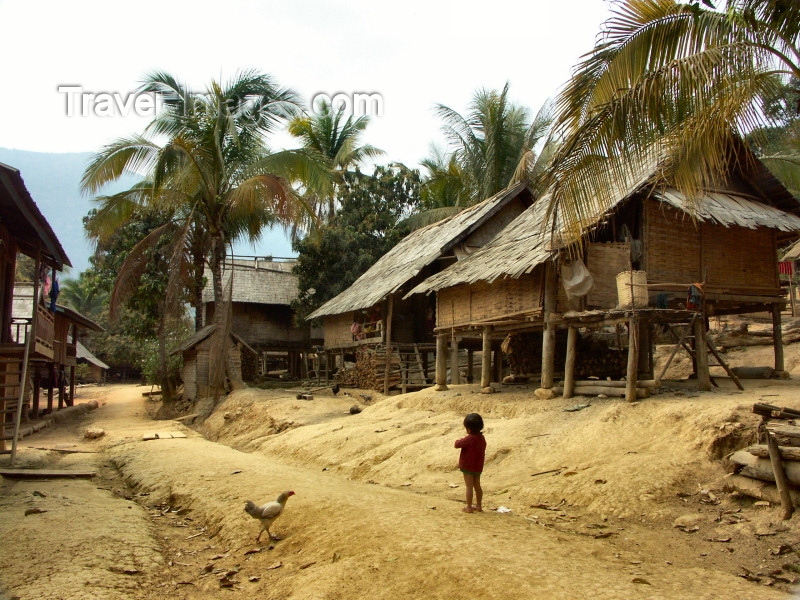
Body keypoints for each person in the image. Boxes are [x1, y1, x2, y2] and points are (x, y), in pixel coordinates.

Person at [454, 412, 486, 513]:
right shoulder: (481, 438)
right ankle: (479, 505)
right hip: (478, 466)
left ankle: (468, 506)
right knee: (477, 485)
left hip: (468, 466)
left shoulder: (469, 439)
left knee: (469, 486)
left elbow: (457, 444)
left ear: (468, 429)